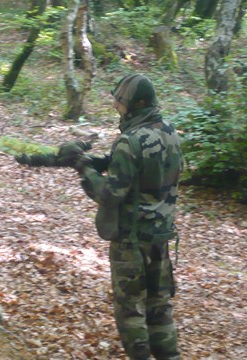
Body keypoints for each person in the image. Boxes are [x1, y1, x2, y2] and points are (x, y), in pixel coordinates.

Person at [76, 74, 183, 360]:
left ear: (136, 104)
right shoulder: (171, 132)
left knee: (131, 310)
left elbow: (111, 194)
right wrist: (103, 161)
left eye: (120, 101)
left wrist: (86, 171)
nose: (116, 106)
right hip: (161, 236)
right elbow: (149, 170)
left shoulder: (129, 140)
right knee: (159, 306)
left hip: (131, 240)